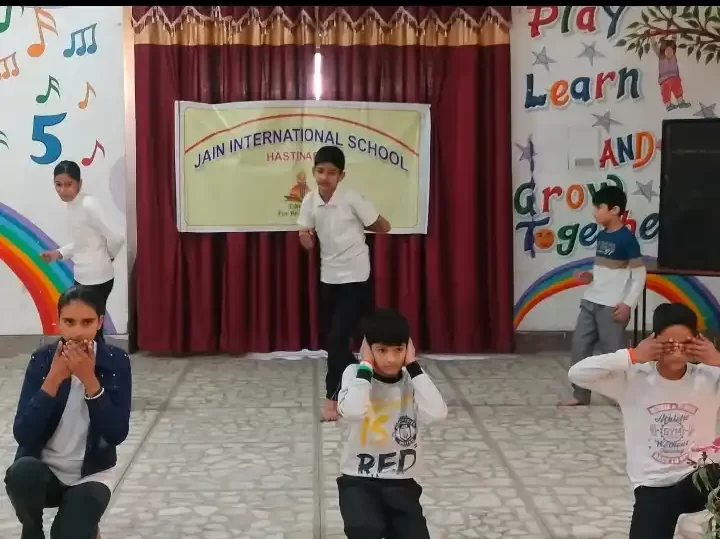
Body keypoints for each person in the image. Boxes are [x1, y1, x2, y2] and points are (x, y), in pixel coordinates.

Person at [568, 302, 720, 538]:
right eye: (669, 344)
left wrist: (717, 359)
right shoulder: (632, 380)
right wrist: (632, 355)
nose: (677, 351)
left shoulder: (710, 378)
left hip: (704, 479)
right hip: (654, 485)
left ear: (698, 342)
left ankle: (697, 522)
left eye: (685, 343)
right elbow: (577, 373)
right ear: (654, 340)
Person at [5, 285, 132, 539]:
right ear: (59, 322)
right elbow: (23, 434)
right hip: (44, 470)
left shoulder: (115, 361)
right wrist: (53, 379)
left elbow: (116, 433)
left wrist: (90, 382)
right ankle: (32, 532)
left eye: (87, 322)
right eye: (69, 322)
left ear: (99, 322)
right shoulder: (42, 360)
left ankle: (84, 523)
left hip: (91, 474)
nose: (77, 332)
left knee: (68, 534)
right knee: (21, 474)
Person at [297, 146, 391, 421]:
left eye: (331, 172)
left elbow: (383, 226)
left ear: (341, 175)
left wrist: (366, 225)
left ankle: (332, 397)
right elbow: (305, 236)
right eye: (320, 171)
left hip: (356, 277)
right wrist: (305, 239)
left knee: (339, 339)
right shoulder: (310, 200)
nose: (324, 177)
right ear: (313, 172)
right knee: (336, 341)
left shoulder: (352, 198)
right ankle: (367, 381)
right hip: (329, 278)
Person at [336, 308, 447, 539]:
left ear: (408, 348)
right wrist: (365, 365)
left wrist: (414, 367)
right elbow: (353, 412)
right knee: (365, 529)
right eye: (381, 350)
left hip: (401, 482)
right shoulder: (355, 374)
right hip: (359, 480)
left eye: (398, 349)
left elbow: (437, 414)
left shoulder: (412, 380)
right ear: (368, 349)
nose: (391, 359)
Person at [559, 185, 647, 406]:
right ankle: (580, 395)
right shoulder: (602, 235)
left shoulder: (627, 239)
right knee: (579, 347)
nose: (594, 212)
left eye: (599, 207)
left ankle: (622, 396)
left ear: (615, 210)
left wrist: (627, 304)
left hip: (612, 307)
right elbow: (605, 271)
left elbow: (639, 275)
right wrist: (589, 276)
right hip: (591, 300)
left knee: (613, 353)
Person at [40, 160, 125, 341]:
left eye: (68, 184)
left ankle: (99, 358)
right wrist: (58, 254)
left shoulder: (89, 204)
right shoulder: (72, 205)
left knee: (91, 329)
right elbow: (82, 242)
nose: (63, 190)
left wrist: (108, 256)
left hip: (98, 278)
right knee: (85, 327)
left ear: (80, 183)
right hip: (82, 276)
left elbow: (117, 237)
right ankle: (90, 357)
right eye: (58, 185)